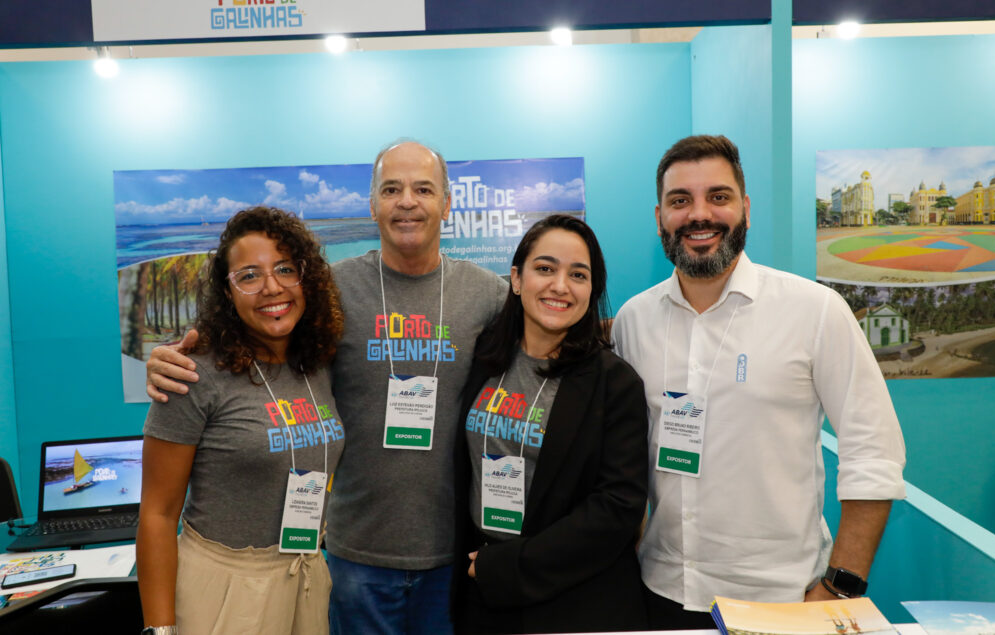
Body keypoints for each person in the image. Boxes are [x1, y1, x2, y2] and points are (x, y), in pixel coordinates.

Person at [146, 141, 508, 635]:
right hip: (351, 556)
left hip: (452, 552)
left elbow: (549, 343)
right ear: (372, 203)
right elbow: (262, 320)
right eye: (391, 189)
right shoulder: (327, 291)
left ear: (447, 203)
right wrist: (180, 353)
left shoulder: (489, 295)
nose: (407, 201)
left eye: (424, 189)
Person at [611, 135, 906, 629]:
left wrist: (841, 584)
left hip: (784, 600)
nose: (699, 214)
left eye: (718, 197)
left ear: (745, 208)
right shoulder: (633, 321)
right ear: (659, 216)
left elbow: (874, 452)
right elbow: (623, 454)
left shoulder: (814, 311)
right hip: (660, 591)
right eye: (680, 201)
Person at [137, 206, 346, 635]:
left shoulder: (318, 363)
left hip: (305, 576)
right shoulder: (192, 375)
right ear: (227, 292)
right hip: (222, 588)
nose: (272, 288)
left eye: (285, 269)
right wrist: (159, 631)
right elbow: (157, 515)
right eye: (249, 275)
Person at [452, 215, 649, 634]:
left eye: (577, 274)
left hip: (577, 602)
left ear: (591, 290)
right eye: (545, 268)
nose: (560, 285)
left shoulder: (614, 383)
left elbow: (617, 508)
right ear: (517, 279)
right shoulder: (481, 359)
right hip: (483, 595)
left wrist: (507, 566)